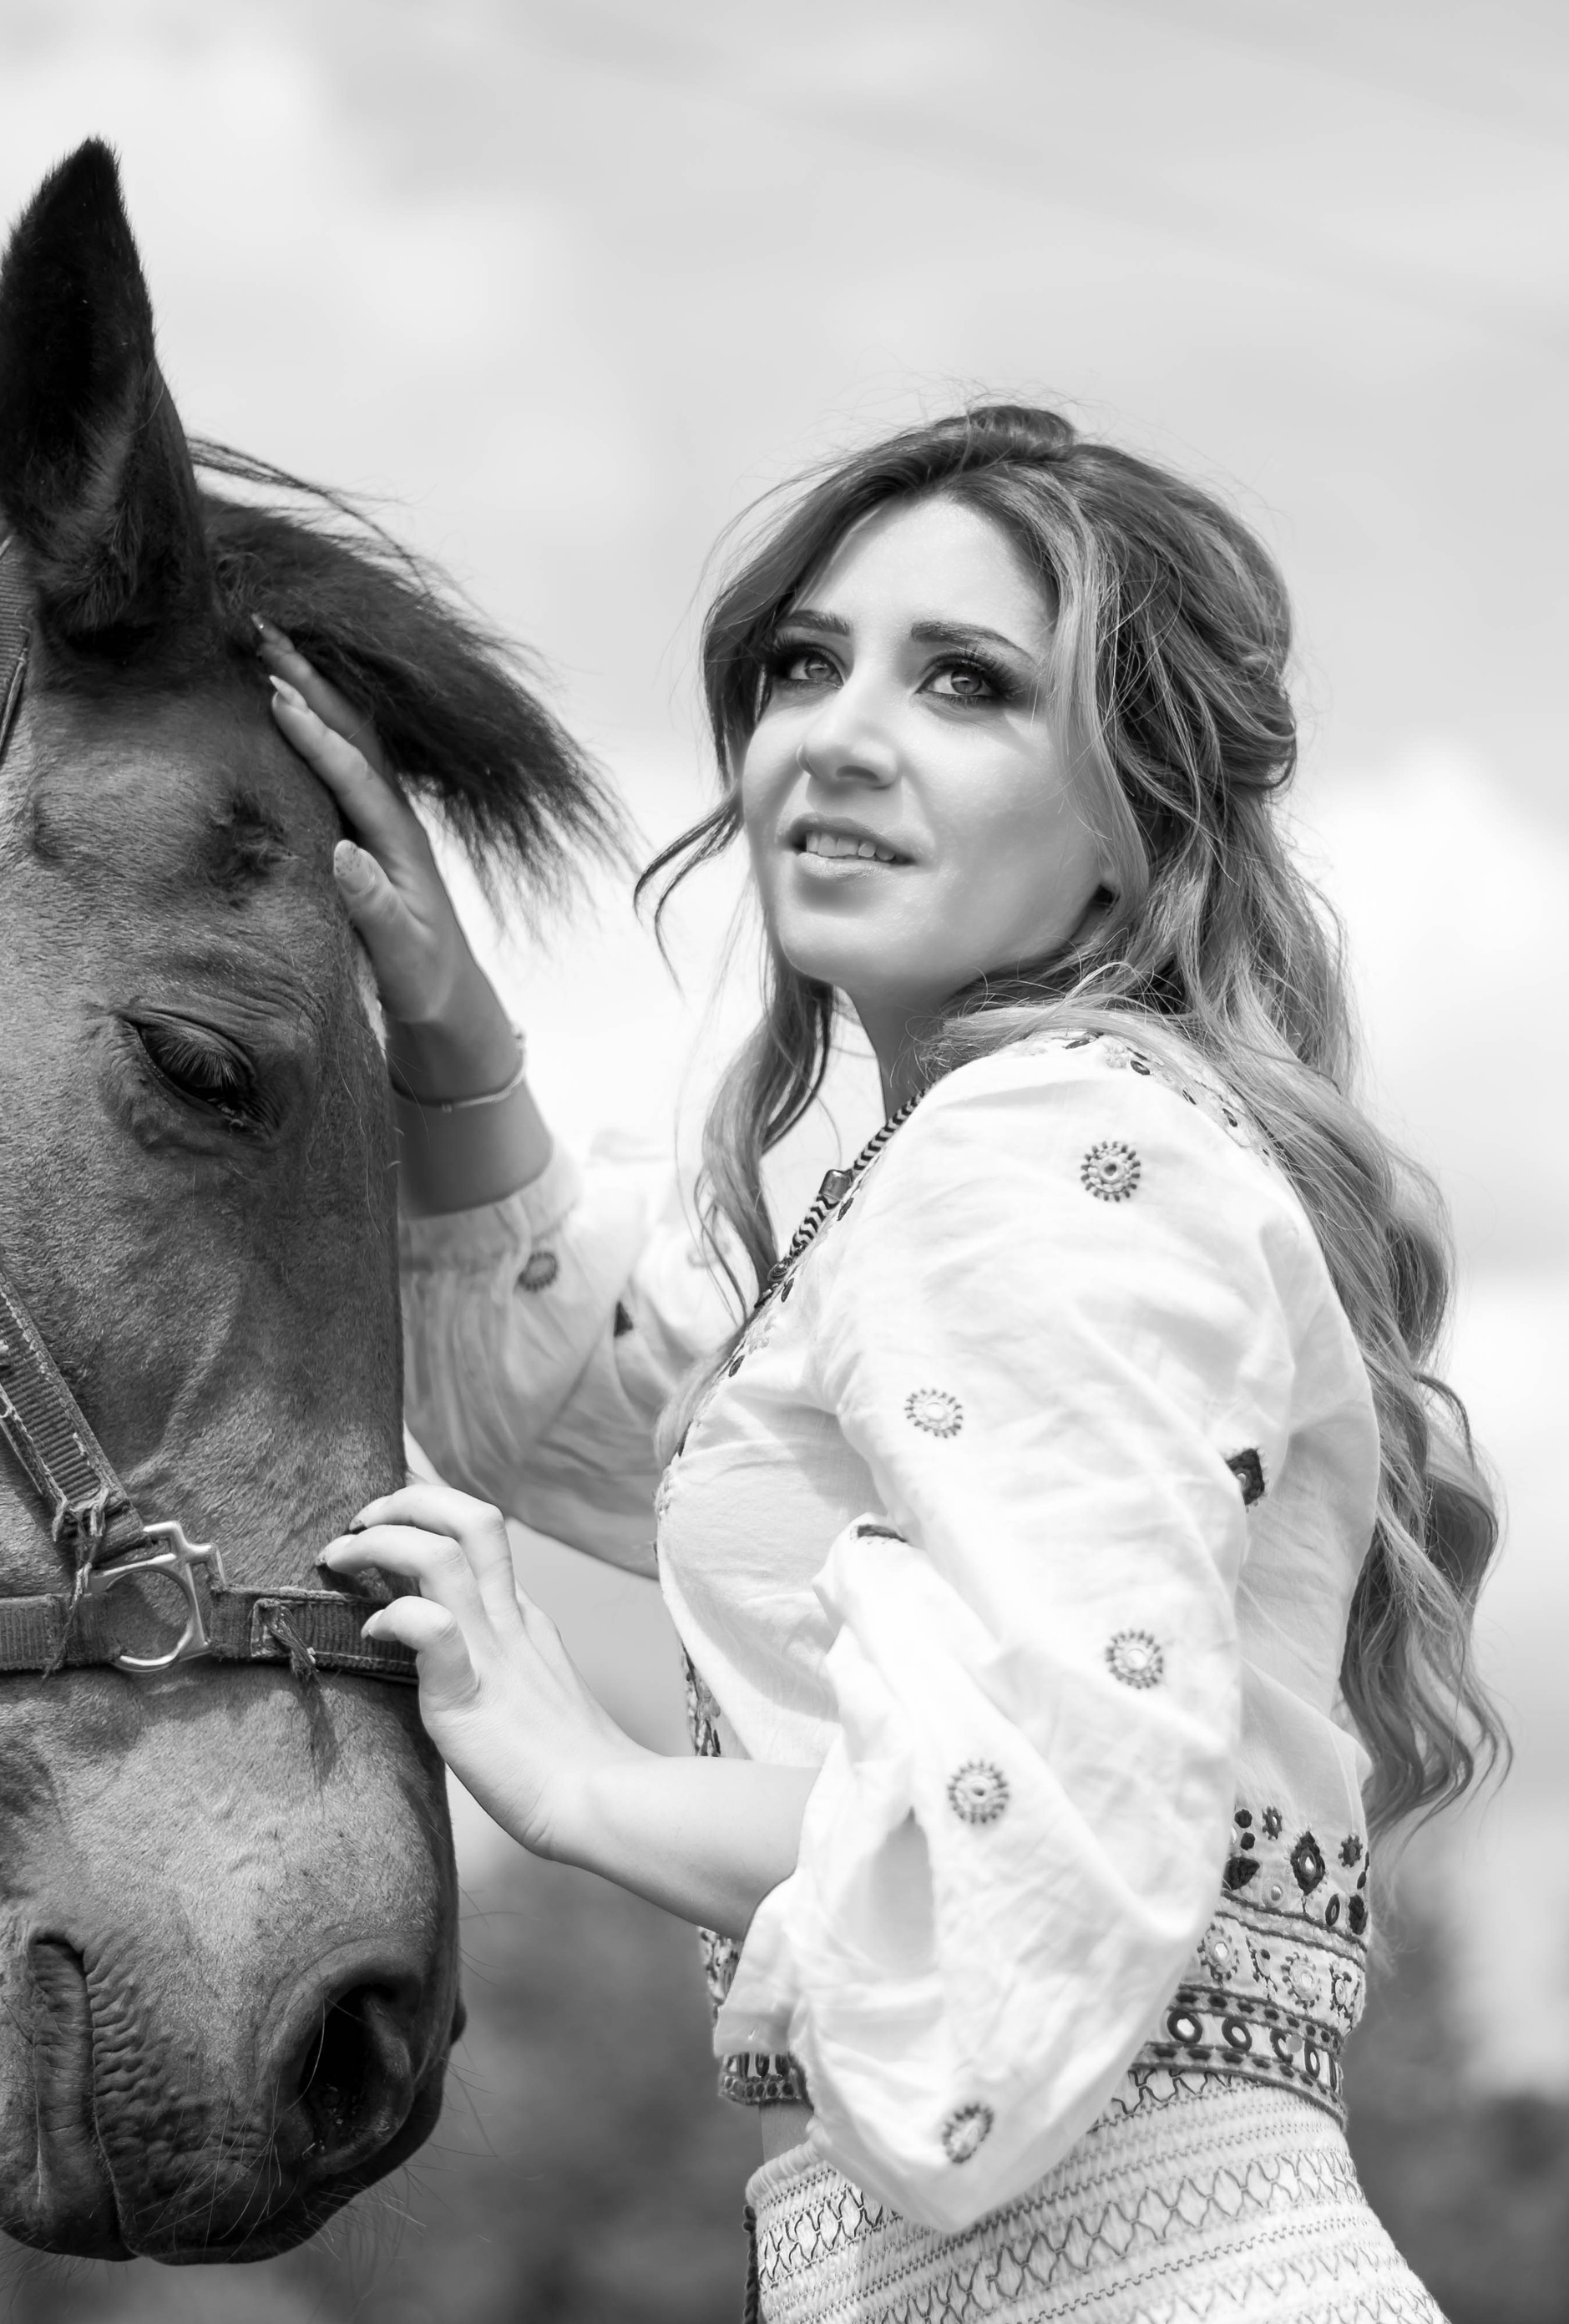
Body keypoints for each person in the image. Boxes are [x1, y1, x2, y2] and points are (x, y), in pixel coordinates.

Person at [256, 403, 1499, 2321]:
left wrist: (575, 1779)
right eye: (801, 665)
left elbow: (1038, 1831)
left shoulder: (1034, 1167)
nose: (836, 735)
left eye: (966, 683)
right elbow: (617, 1436)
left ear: (1131, 819)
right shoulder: (984, 1172)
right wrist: (441, 1018)